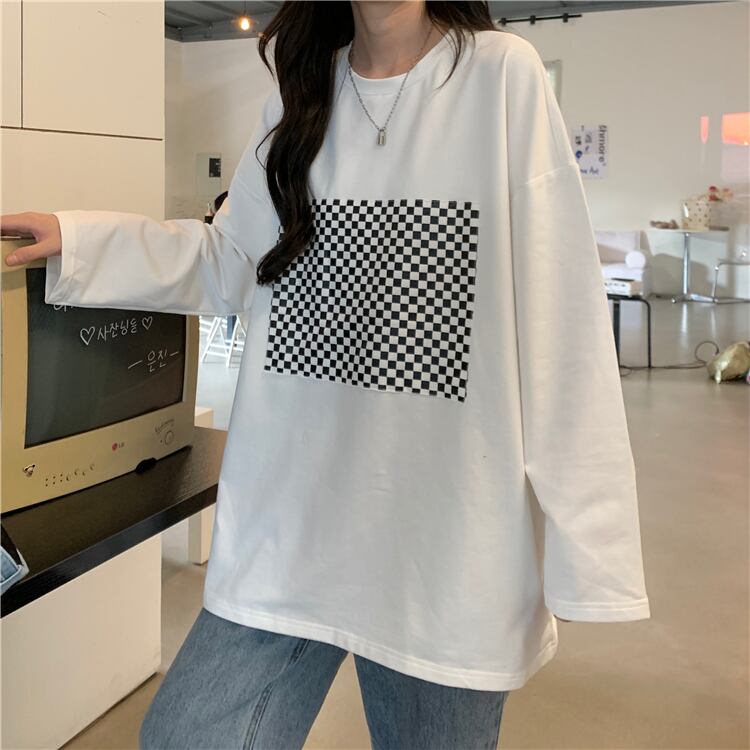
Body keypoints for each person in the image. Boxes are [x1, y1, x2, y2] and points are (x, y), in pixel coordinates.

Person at [1, 1, 651, 747]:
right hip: (292, 523)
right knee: (185, 735)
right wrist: (80, 241)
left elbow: (562, 321)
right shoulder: (301, 94)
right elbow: (231, 262)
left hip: (444, 549)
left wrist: (588, 547)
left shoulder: (501, 75)